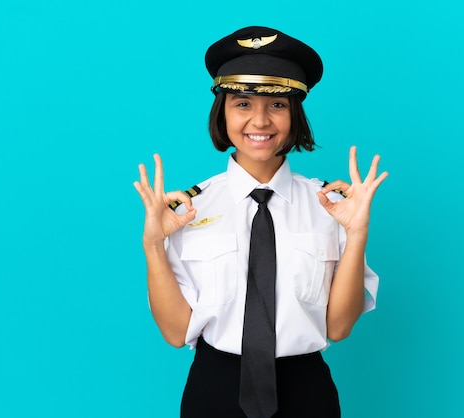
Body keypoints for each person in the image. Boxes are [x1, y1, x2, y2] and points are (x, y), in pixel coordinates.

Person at [134, 26, 388, 418]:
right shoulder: (185, 210)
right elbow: (174, 332)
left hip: (305, 391)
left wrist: (356, 234)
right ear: (223, 112)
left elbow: (337, 328)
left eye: (277, 105)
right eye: (243, 103)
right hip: (214, 388)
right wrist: (153, 245)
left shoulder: (332, 206)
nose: (260, 121)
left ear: (294, 114)